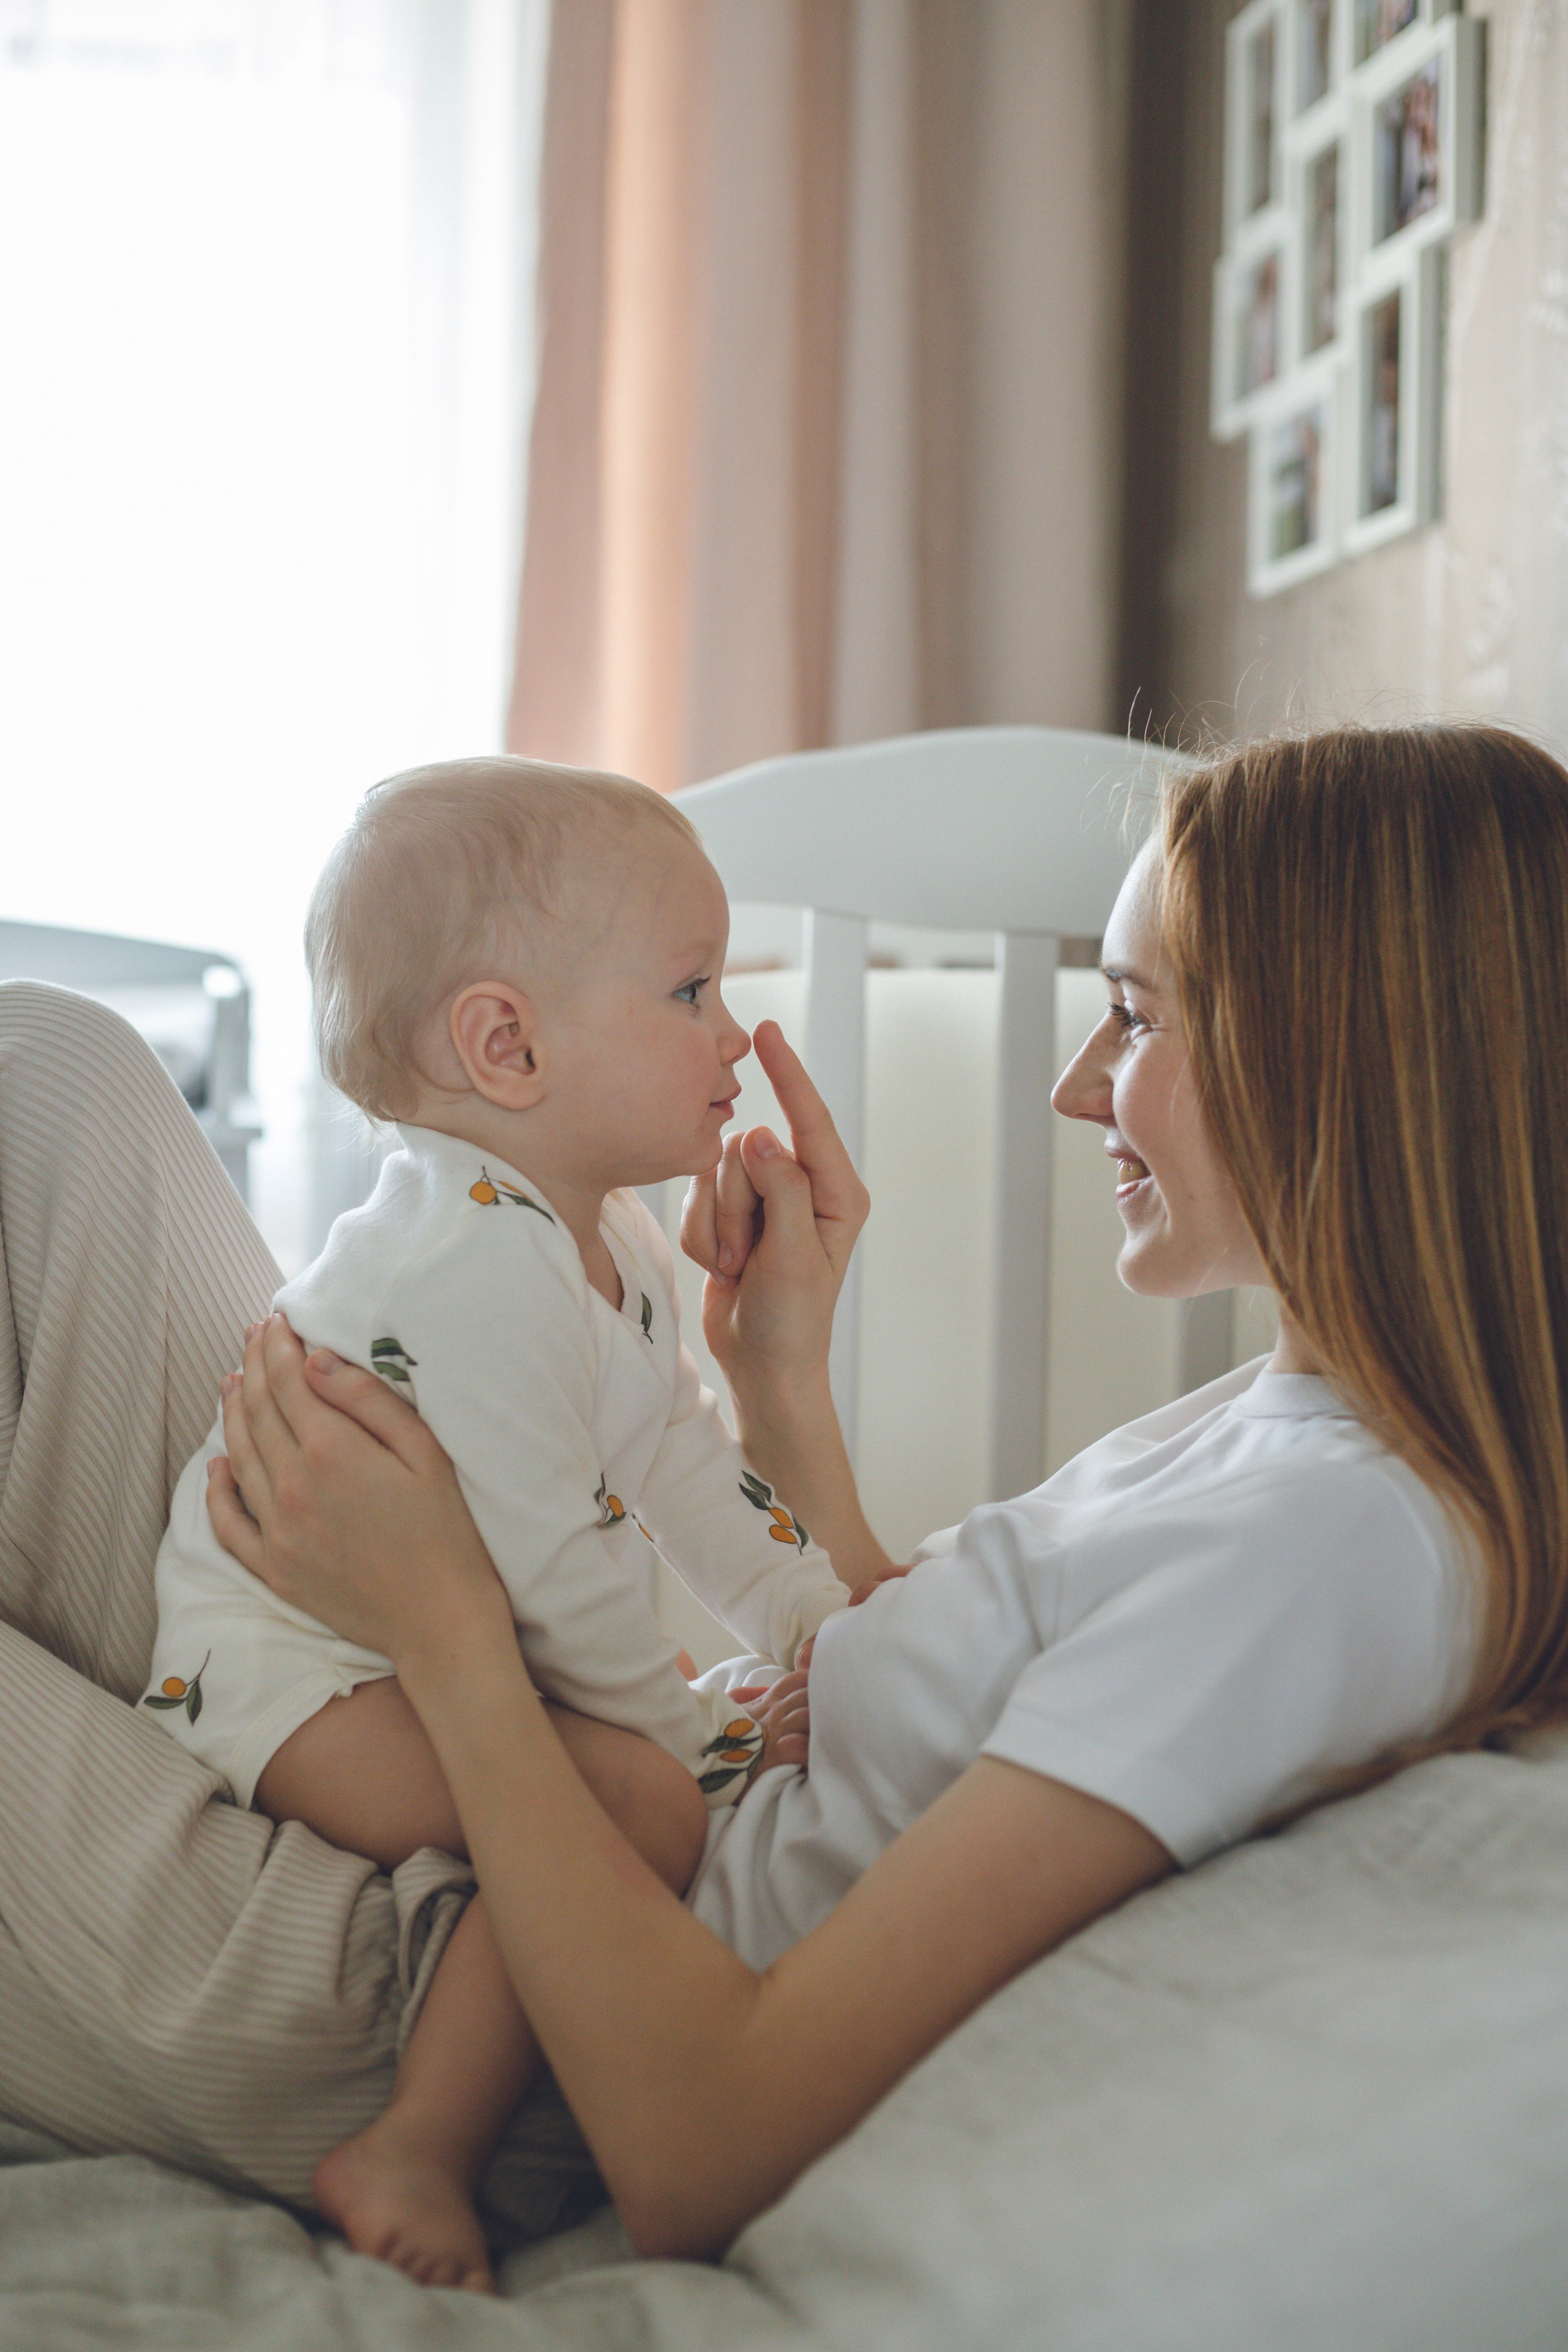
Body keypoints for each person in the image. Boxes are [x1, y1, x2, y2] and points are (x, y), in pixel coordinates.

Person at [208, 725, 1568, 2266]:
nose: (1073, 1087)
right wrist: (779, 1388)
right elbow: (915, 1730)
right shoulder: (1288, 1422)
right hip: (513, 1862)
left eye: (1130, 1019)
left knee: (55, 1095)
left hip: (490, 1981)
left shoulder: (1324, 1545)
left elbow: (701, 2138)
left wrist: (446, 1629)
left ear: (1345, 1057)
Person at [141, 757, 848, 2287]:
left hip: (396, 1645)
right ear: (506, 1045)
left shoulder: (606, 1241)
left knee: (619, 1773)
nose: (733, 1033)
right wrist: (703, 1737)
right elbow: (553, 1573)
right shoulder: (469, 1273)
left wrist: (825, 1628)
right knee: (638, 1806)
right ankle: (419, 2142)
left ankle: (429, 2122)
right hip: (286, 1671)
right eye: (690, 990)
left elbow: (681, 1468)